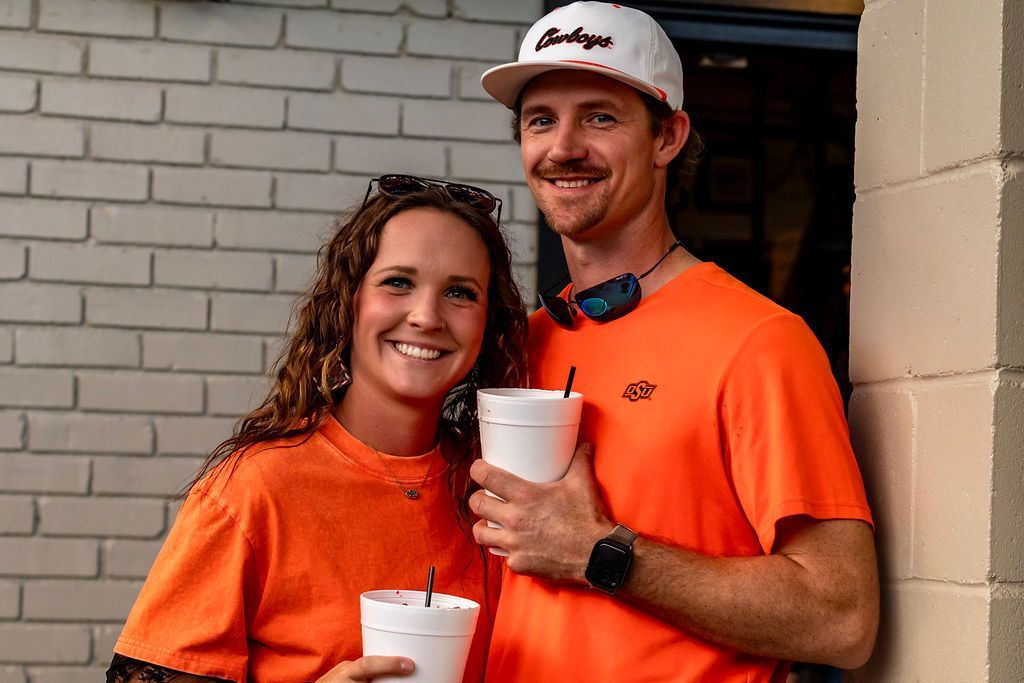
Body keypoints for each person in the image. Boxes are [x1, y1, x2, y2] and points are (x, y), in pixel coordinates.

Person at [468, 3, 880, 681]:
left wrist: (604, 553)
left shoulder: (759, 341)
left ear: (668, 138)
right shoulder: (525, 344)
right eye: (541, 120)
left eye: (600, 116)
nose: (563, 146)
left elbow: (841, 617)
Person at [105, 175, 528, 682]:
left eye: (460, 292)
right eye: (397, 282)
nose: (426, 316)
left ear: (488, 324)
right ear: (348, 301)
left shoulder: (502, 486)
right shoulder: (254, 488)